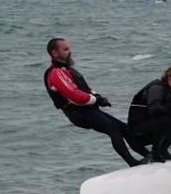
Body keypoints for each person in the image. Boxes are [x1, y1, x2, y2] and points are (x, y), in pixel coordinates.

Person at [44, 38, 148, 167]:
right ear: (54, 53)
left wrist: (98, 97)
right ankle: (132, 163)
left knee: (125, 129)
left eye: (69, 48)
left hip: (89, 110)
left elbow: (84, 89)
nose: (70, 52)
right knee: (113, 129)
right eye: (65, 49)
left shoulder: (67, 70)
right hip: (78, 113)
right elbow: (74, 95)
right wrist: (95, 100)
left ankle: (149, 156)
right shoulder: (56, 73)